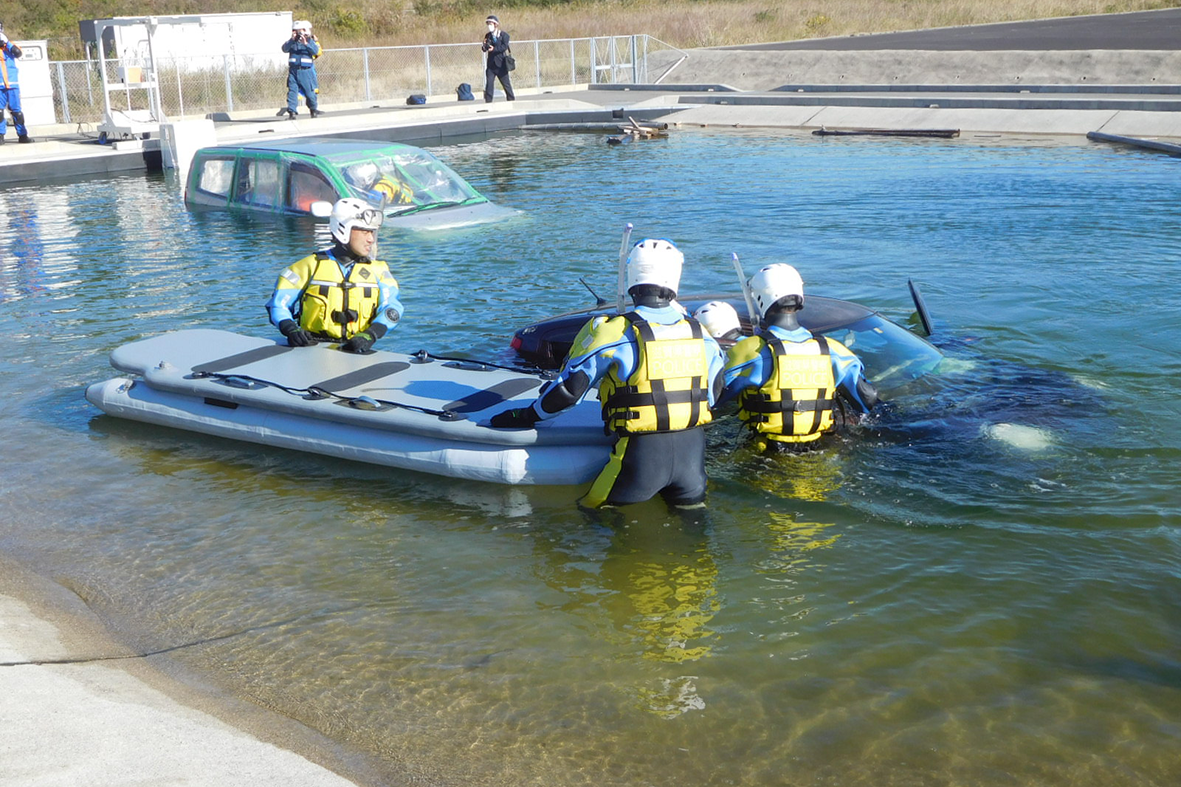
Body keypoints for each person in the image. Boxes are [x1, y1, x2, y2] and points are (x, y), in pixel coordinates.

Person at [490, 238, 725, 509]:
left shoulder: (613, 331)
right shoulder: (701, 333)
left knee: (593, 512)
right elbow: (715, 393)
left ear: (632, 278)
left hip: (641, 455)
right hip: (693, 455)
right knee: (693, 530)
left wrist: (527, 415)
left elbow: (567, 392)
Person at [719, 263, 878, 451]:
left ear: (761, 298)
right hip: (819, 451)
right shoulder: (833, 349)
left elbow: (714, 399)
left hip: (765, 453)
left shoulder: (750, 349)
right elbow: (867, 398)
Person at [265, 198, 403, 353]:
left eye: (372, 232)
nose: (370, 239)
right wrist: (291, 330)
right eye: (364, 231)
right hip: (311, 348)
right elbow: (279, 304)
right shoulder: (310, 266)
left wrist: (371, 335)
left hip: (356, 349)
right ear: (343, 229)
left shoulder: (379, 270)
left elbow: (392, 308)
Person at [278, 20, 322, 120]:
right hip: (293, 71)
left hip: (305, 71)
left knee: (309, 93)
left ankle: (313, 109)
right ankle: (292, 112)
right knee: (292, 92)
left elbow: (315, 51)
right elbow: (284, 49)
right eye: (295, 31)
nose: (297, 33)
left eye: (299, 31)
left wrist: (306, 43)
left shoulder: (309, 41)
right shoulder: (292, 42)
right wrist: (292, 40)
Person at [0, 22, 32, 144]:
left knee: (16, 111)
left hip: (12, 84)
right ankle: (0, 135)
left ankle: (23, 135)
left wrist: (6, 42)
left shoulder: (10, 45)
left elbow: (18, 53)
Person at [481, 15, 515, 103]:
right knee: (489, 84)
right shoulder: (488, 36)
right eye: (488, 24)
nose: (489, 26)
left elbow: (504, 47)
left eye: (491, 24)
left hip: (501, 65)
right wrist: (485, 46)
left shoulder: (504, 35)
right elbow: (484, 48)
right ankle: (488, 101)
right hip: (491, 65)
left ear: (496, 24)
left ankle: (511, 100)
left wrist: (494, 49)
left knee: (506, 84)